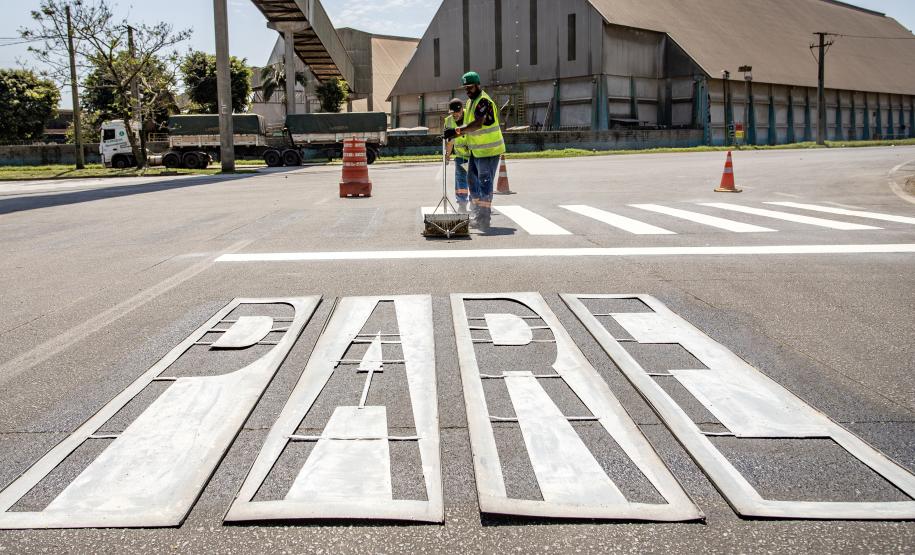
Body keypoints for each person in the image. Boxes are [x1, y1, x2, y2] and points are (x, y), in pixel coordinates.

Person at [443, 71, 506, 231]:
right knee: (472, 183)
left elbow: (477, 124)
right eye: (465, 88)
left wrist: (456, 131)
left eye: (470, 87)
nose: (467, 91)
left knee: (485, 184)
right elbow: (468, 126)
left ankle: (484, 219)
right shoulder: (471, 102)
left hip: (489, 151)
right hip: (477, 151)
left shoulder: (483, 101)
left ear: (478, 85)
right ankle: (478, 214)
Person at [443, 98, 471, 213]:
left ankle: (475, 205)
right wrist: (447, 155)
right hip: (460, 156)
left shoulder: (470, 116)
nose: (454, 115)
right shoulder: (448, 121)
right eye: (452, 113)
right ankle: (462, 204)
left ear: (461, 110)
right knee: (460, 180)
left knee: (474, 180)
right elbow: (449, 141)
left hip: (474, 155)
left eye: (456, 112)